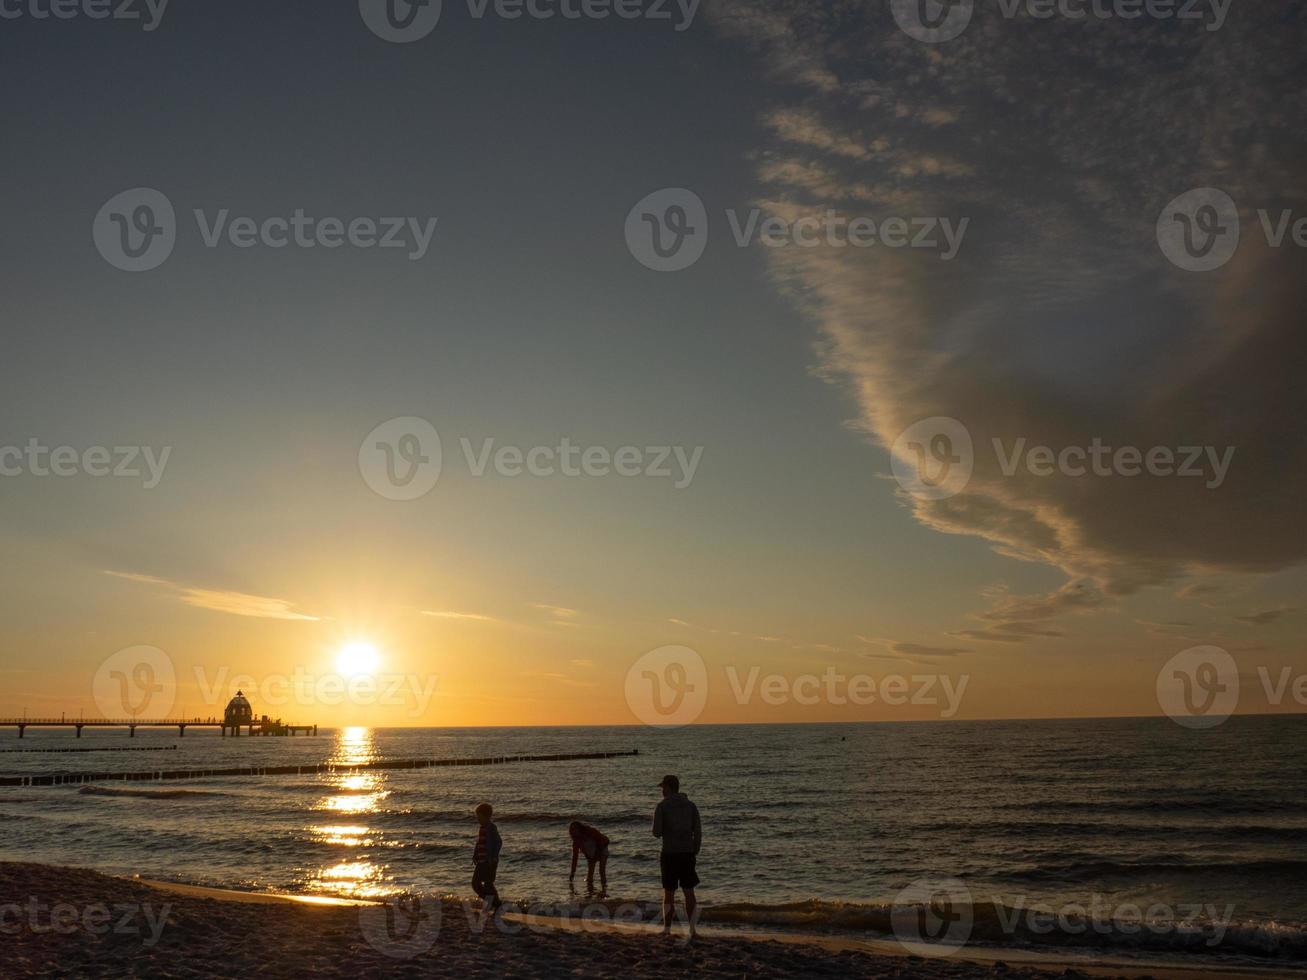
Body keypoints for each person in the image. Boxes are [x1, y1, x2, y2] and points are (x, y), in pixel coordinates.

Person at [652, 774, 701, 938]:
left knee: (669, 893)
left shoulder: (662, 806)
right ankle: (692, 929)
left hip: (670, 853)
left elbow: (656, 833)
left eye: (663, 788)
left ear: (668, 787)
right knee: (689, 892)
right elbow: (698, 831)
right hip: (687, 853)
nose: (662, 791)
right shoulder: (691, 806)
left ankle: (667, 928)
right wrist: (695, 849)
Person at [472, 802, 503, 912]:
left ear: (486, 816)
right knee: (475, 884)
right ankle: (494, 903)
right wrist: (475, 854)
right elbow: (479, 843)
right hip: (481, 861)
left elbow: (498, 842)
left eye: (479, 817)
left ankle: (496, 905)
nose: (478, 820)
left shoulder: (491, 827)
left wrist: (494, 857)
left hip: (489, 861)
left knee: (489, 884)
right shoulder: (482, 828)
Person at [568, 820, 610, 894]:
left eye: (575, 829)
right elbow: (575, 858)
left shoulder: (590, 831)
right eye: (571, 829)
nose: (573, 831)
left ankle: (604, 890)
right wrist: (572, 873)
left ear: (579, 828)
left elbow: (604, 840)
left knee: (601, 871)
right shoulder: (576, 841)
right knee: (590, 874)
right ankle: (590, 891)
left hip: (602, 848)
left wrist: (596, 854)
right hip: (590, 854)